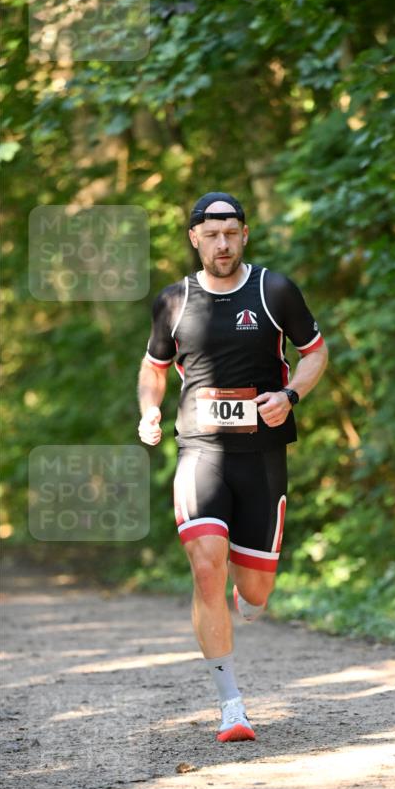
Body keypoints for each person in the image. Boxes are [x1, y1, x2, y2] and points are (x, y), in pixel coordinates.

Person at [137, 192, 328, 742]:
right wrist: (150, 410)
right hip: (199, 451)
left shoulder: (274, 291)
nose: (222, 244)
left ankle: (252, 591)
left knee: (257, 592)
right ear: (194, 238)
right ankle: (232, 706)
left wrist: (289, 395)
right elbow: (153, 368)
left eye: (231, 233)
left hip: (261, 457)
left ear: (244, 235)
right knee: (205, 565)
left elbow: (315, 351)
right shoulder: (174, 301)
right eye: (211, 234)